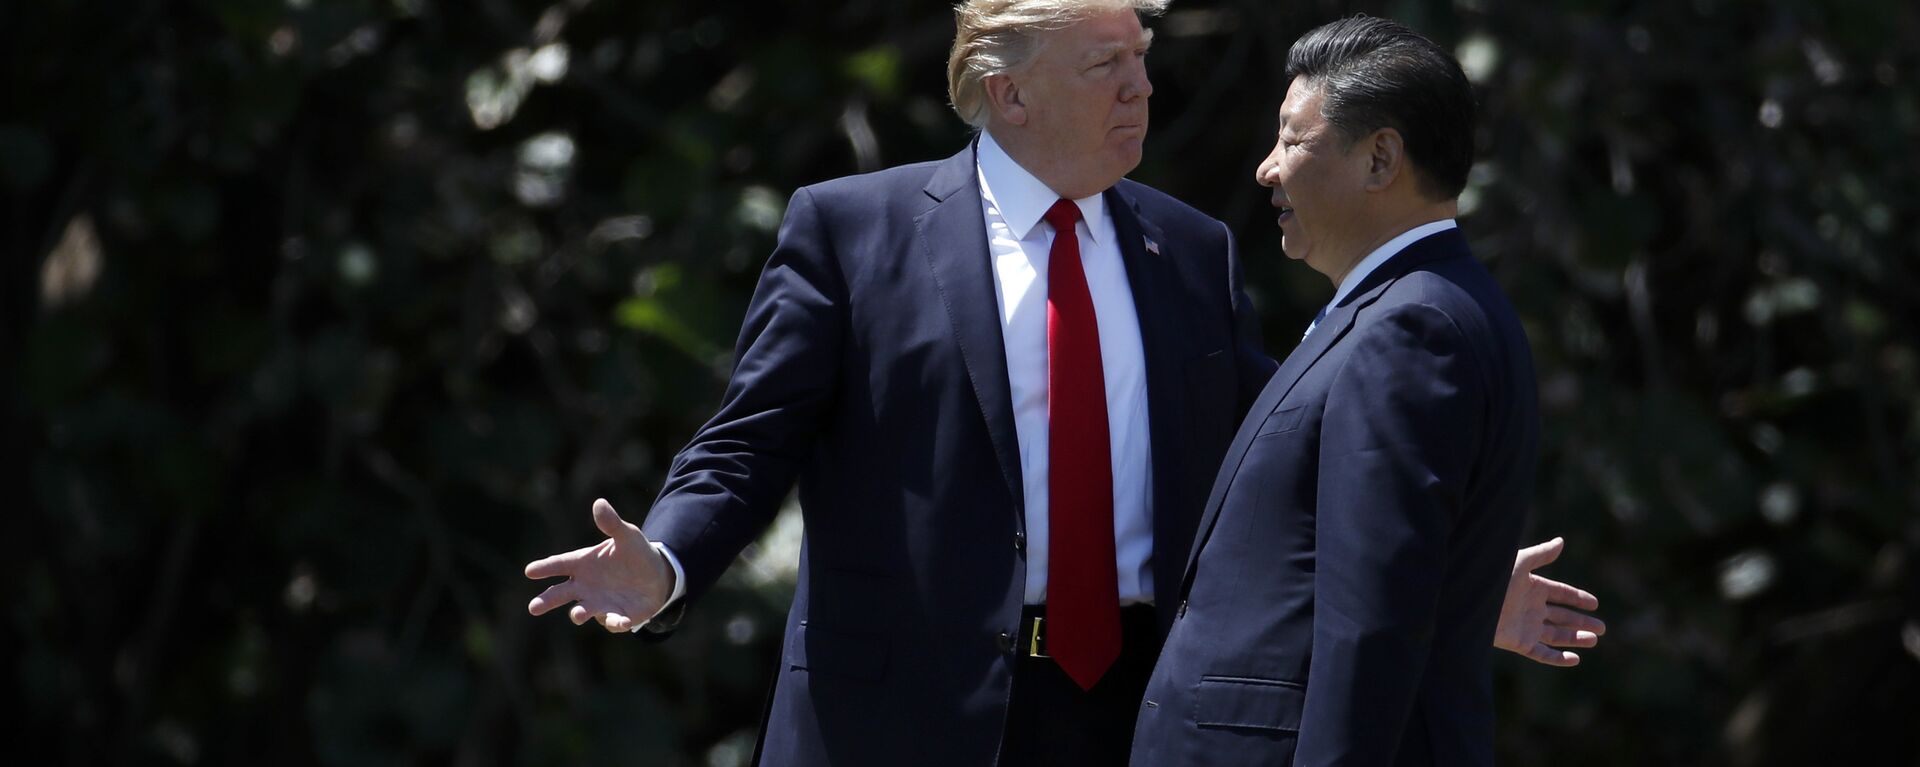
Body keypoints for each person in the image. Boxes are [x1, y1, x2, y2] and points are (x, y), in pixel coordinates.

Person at [525, 3, 1600, 765]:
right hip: (905, 718)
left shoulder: (1190, 248)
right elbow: (747, 440)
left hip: (1129, 709)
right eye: (1106, 65)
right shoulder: (855, 232)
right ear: (1011, 92)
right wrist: (666, 558)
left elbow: (1285, 449)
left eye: (1141, 54)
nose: (1143, 86)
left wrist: (1446, 577)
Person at [1130, 15, 1552, 766]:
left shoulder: (1411, 327)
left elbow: (1372, 627)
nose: (1268, 168)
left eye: (1293, 140)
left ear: (1380, 157)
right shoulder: (1421, 308)